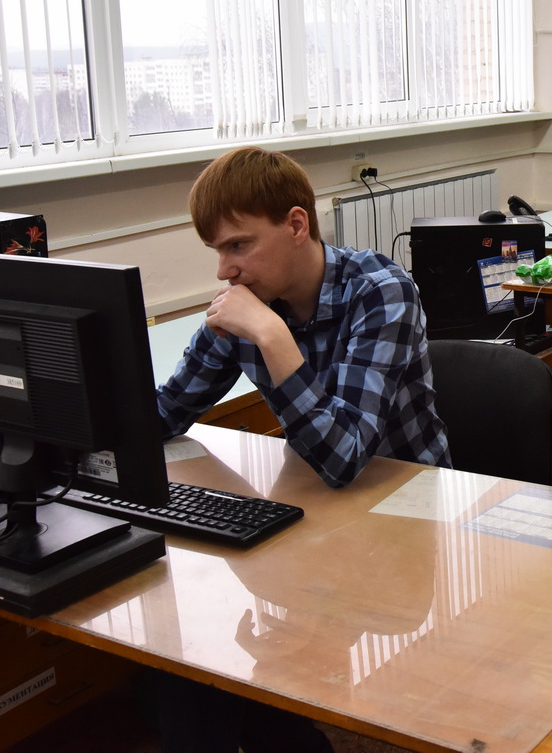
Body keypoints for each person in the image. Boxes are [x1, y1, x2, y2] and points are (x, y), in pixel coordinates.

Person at [153, 145, 451, 752]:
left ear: (296, 225)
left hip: (403, 516)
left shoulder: (381, 292)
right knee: (183, 667)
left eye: (239, 245)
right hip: (310, 506)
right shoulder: (248, 299)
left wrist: (271, 335)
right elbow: (166, 411)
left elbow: (345, 457)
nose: (225, 271)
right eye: (217, 251)